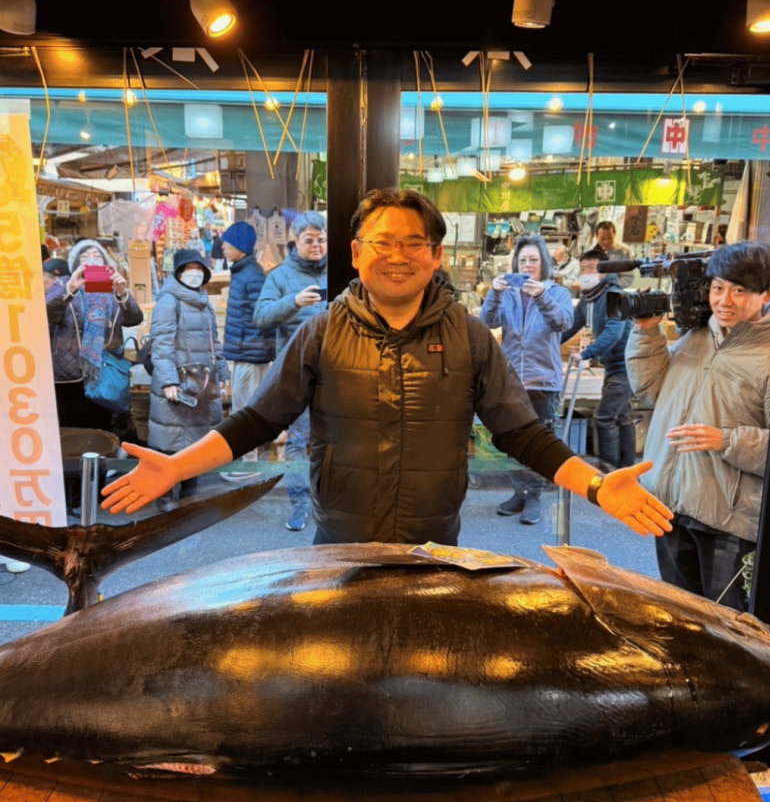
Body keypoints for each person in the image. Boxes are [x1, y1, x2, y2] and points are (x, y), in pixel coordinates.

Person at [102, 188, 673, 546]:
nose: (397, 256)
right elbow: (256, 421)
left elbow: (522, 433)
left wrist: (595, 485)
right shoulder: (319, 331)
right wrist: (179, 466)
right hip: (340, 540)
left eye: (413, 243)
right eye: (382, 243)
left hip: (435, 542)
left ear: (436, 256)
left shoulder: (469, 335)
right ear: (355, 253)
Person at [625, 241, 770, 610]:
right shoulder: (698, 336)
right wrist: (647, 332)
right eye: (717, 288)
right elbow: (652, 392)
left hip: (729, 521)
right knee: (683, 617)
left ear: (767, 294)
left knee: (728, 629)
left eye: (739, 291)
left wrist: (726, 440)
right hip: (670, 505)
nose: (724, 301)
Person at [479, 233, 573, 525]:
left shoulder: (557, 293)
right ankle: (518, 490)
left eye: (533, 260)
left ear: (543, 264)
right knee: (508, 440)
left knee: (541, 443)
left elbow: (563, 323)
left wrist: (541, 296)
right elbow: (485, 324)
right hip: (511, 380)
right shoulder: (506, 294)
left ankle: (534, 495)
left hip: (543, 381)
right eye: (523, 260)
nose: (528, 265)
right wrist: (493, 292)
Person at [46, 241, 143, 513]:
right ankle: (72, 495)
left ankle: (97, 490)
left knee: (101, 433)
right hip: (70, 377)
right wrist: (70, 289)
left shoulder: (106, 286)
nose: (91, 259)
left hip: (102, 372)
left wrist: (123, 293)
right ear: (76, 261)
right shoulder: (64, 283)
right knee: (73, 435)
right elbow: (46, 312)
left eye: (96, 255)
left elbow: (134, 318)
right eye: (85, 255)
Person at [253, 212, 328, 531]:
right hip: (296, 373)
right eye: (309, 240)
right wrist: (293, 302)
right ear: (295, 241)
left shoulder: (338, 272)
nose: (317, 246)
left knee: (333, 439)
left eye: (322, 240)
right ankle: (299, 502)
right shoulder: (280, 276)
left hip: (336, 373)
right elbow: (261, 316)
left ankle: (328, 501)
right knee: (297, 441)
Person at [146, 249, 229, 510]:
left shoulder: (204, 302)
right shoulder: (169, 301)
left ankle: (189, 492)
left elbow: (215, 343)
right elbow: (161, 346)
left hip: (201, 384)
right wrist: (168, 381)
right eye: (187, 268)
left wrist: (223, 374)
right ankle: (164, 494)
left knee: (195, 441)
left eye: (198, 268)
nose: (193, 273)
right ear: (179, 272)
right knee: (170, 442)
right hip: (178, 384)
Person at [562, 250, 636, 470]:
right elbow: (571, 326)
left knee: (604, 418)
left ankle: (609, 471)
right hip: (613, 366)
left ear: (605, 270)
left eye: (592, 268)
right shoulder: (589, 298)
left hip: (626, 366)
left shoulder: (615, 295)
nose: (587, 273)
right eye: (583, 268)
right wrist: (546, 341)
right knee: (622, 417)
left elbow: (613, 333)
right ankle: (626, 470)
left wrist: (585, 354)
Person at [220, 219, 276, 471]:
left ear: (240, 246)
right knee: (244, 409)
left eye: (227, 242)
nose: (222, 247)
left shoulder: (250, 275)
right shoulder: (243, 272)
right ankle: (247, 462)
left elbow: (260, 317)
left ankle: (249, 466)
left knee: (245, 411)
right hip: (247, 353)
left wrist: (252, 349)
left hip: (250, 355)